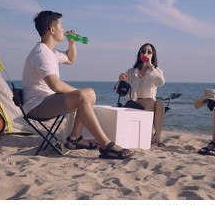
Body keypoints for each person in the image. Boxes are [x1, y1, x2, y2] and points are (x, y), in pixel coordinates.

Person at [22, 10, 134, 159]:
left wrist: (71, 42)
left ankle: (74, 138)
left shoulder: (51, 52)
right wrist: (80, 95)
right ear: (52, 30)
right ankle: (106, 145)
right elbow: (55, 85)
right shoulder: (41, 53)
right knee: (83, 96)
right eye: (61, 25)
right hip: (37, 106)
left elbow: (70, 59)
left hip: (47, 100)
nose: (64, 29)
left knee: (90, 93)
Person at [118, 43, 166, 147]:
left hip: (151, 103)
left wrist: (150, 66)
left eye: (149, 52)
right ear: (139, 54)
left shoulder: (156, 70)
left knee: (160, 103)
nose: (146, 53)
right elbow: (122, 88)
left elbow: (161, 82)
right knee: (150, 101)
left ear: (153, 55)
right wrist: (121, 79)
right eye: (143, 51)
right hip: (134, 102)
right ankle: (148, 136)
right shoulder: (131, 71)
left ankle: (157, 138)